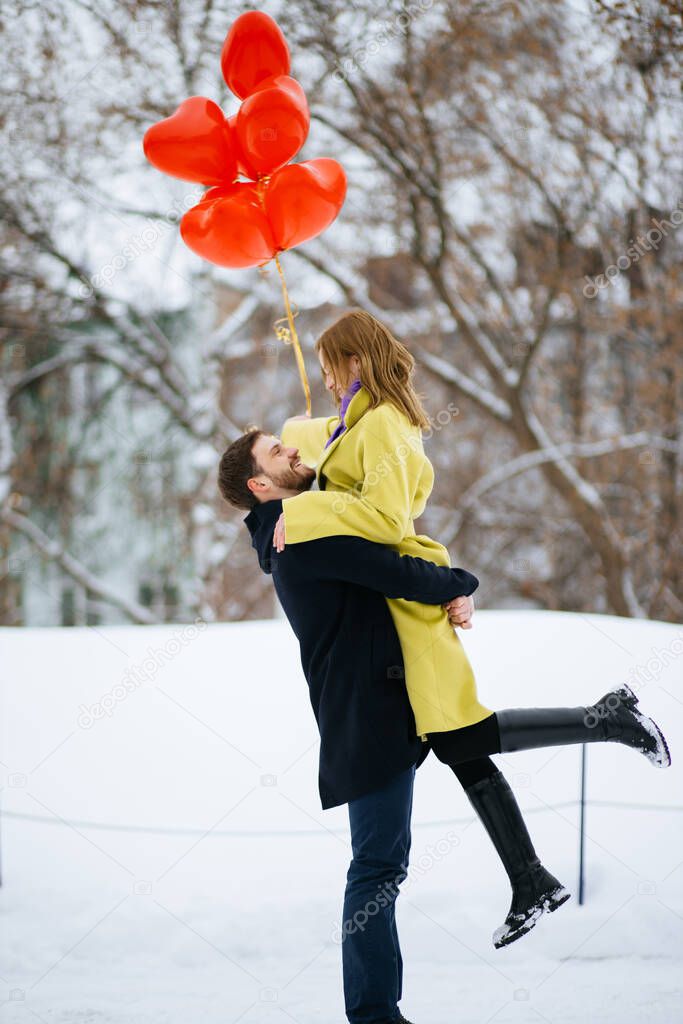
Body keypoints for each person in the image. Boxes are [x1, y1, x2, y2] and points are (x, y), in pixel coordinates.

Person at [270, 308, 672, 947]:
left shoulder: (386, 426)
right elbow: (317, 438)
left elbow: (381, 517)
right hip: (397, 619)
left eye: (330, 367)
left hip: (407, 613)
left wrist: (308, 507)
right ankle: (531, 878)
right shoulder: (360, 420)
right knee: (462, 744)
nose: (323, 380)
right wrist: (299, 445)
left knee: (469, 732)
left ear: (355, 361)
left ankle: (608, 719)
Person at [218, 425, 486, 1024]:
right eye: (277, 452)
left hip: (383, 708)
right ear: (261, 484)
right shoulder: (303, 538)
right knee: (377, 866)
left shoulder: (302, 527)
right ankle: (372, 1014)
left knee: (382, 862)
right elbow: (397, 573)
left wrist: (451, 592)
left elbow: (390, 567)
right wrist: (462, 583)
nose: (292, 449)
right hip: (368, 719)